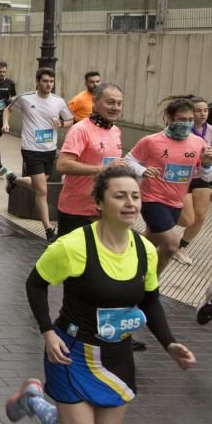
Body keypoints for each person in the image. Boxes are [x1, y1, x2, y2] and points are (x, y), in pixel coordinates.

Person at [13, 167, 196, 424]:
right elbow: (35, 284)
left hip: (117, 356)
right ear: (99, 202)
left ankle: (32, 400)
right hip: (70, 352)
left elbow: (150, 301)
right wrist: (48, 332)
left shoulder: (145, 250)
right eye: (120, 196)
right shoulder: (72, 245)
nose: (130, 203)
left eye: (135, 196)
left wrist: (170, 343)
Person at [125, 96, 212, 273]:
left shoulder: (198, 143)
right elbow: (128, 160)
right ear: (170, 118)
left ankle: (125, 263)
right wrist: (142, 171)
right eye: (181, 119)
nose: (186, 124)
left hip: (176, 202)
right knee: (171, 245)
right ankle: (151, 284)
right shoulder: (152, 141)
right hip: (152, 199)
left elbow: (207, 177)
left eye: (189, 120)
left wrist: (206, 164)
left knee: (151, 241)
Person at [4, 68, 75, 242]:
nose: (48, 84)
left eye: (51, 81)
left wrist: (62, 123)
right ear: (37, 81)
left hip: (49, 150)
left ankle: (14, 180)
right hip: (31, 149)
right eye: (45, 81)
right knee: (42, 191)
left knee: (39, 185)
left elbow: (71, 120)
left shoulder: (58, 101)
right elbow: (8, 109)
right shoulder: (26, 98)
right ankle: (49, 230)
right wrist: (5, 123)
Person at [55, 83, 125, 237]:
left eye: (119, 103)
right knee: (71, 259)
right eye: (110, 102)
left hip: (104, 209)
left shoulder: (115, 131)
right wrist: (102, 169)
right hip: (76, 210)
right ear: (95, 102)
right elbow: (62, 164)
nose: (116, 107)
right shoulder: (80, 130)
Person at [178, 97, 212, 265]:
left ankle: (181, 247)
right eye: (198, 110)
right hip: (182, 176)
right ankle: (162, 234)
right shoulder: (182, 130)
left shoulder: (211, 131)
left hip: (203, 176)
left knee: (200, 217)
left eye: (205, 110)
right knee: (187, 218)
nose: (203, 113)